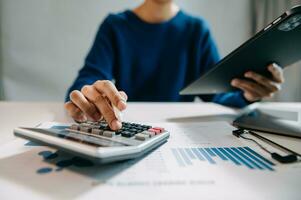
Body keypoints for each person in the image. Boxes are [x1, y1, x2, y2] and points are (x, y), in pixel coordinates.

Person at [65, 0, 284, 130]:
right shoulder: (115, 26)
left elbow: (217, 94)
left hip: (178, 131)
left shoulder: (196, 30)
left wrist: (249, 94)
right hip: (128, 127)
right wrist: (88, 96)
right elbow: (87, 80)